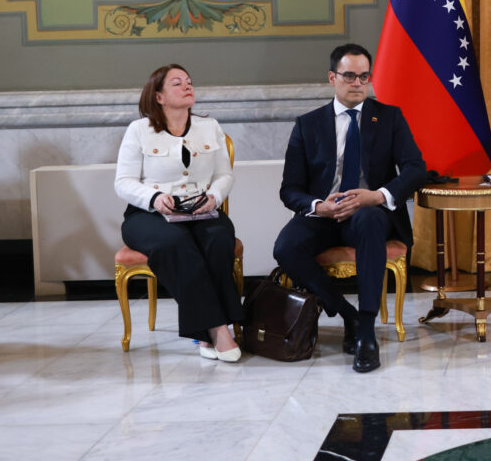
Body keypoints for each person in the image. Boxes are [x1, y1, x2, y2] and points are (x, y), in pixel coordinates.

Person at [273, 43, 426, 372]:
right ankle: (347, 313)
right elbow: (290, 189)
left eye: (364, 76)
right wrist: (319, 206)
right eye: (349, 76)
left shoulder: (389, 117)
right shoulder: (308, 124)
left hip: (370, 213)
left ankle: (366, 331)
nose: (358, 83)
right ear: (332, 78)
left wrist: (378, 195)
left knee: (370, 220)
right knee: (285, 247)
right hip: (325, 215)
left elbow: (416, 168)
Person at [114, 64, 242, 361]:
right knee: (175, 243)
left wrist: (214, 196)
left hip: (200, 208)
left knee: (219, 238)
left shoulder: (209, 126)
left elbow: (224, 175)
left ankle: (205, 332)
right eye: (177, 83)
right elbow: (123, 182)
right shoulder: (139, 130)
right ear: (158, 96)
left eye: (189, 81)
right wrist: (154, 198)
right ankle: (217, 329)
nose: (187, 86)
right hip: (148, 214)